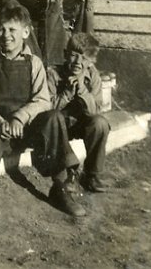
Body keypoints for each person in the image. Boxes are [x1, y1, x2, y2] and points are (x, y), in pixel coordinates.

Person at [0, 6, 86, 218]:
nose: (6, 36)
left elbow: (43, 100)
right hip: (1, 131)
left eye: (12, 30)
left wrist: (20, 118)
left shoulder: (34, 63)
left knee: (53, 118)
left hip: (29, 131)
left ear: (25, 33)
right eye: (1, 30)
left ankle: (60, 186)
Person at [47, 33, 110, 193]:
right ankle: (69, 174)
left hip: (81, 124)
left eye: (84, 58)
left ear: (91, 62)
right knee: (56, 118)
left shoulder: (93, 76)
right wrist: (67, 92)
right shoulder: (53, 73)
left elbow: (95, 110)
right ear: (65, 54)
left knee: (100, 123)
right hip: (59, 127)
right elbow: (48, 110)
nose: (78, 62)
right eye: (74, 56)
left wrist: (81, 88)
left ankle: (91, 174)